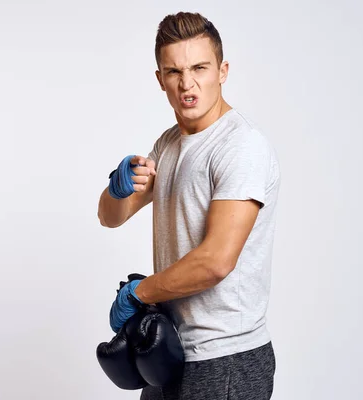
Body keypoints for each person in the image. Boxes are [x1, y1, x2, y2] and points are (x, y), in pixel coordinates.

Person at [97, 12, 280, 400]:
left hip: (226, 356)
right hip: (168, 349)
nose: (187, 83)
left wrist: (139, 293)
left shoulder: (240, 146)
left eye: (200, 67)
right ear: (160, 78)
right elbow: (110, 218)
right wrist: (117, 188)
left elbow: (216, 261)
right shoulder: (168, 144)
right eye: (174, 71)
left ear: (222, 70)